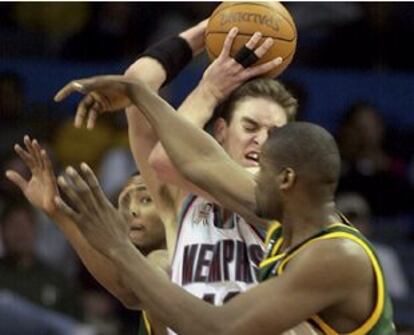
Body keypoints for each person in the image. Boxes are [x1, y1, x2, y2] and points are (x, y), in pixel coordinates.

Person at [53, 77, 395, 334]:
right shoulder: (287, 237)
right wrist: (138, 92)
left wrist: (117, 247)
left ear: (286, 180)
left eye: (260, 174)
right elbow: (195, 160)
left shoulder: (336, 256)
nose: (249, 180)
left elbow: (218, 328)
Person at [55, 26, 296, 335]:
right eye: (250, 127)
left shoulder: (285, 197)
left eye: (274, 134)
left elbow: (165, 157)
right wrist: (209, 29)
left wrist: (210, 90)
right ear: (220, 131)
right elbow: (138, 81)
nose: (261, 141)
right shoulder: (181, 197)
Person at [5, 136, 168, 334]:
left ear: (171, 208)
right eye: (124, 202)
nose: (132, 211)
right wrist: (56, 212)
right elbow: (128, 288)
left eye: (144, 200)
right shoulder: (140, 270)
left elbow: (130, 291)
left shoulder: (172, 258)